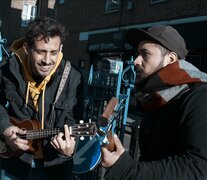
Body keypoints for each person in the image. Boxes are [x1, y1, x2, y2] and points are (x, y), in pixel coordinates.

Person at [101, 25, 207, 180]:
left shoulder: (198, 97)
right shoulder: (156, 98)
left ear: (170, 58)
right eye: (138, 53)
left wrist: (128, 170)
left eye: (145, 54)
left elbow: (199, 169)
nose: (136, 61)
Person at [0, 17, 82, 180]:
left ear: (61, 48)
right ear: (27, 47)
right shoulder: (7, 69)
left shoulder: (74, 77)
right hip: (14, 162)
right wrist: (5, 127)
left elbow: (75, 120)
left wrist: (70, 149)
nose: (47, 60)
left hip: (53, 166)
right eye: (41, 51)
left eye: (53, 52)